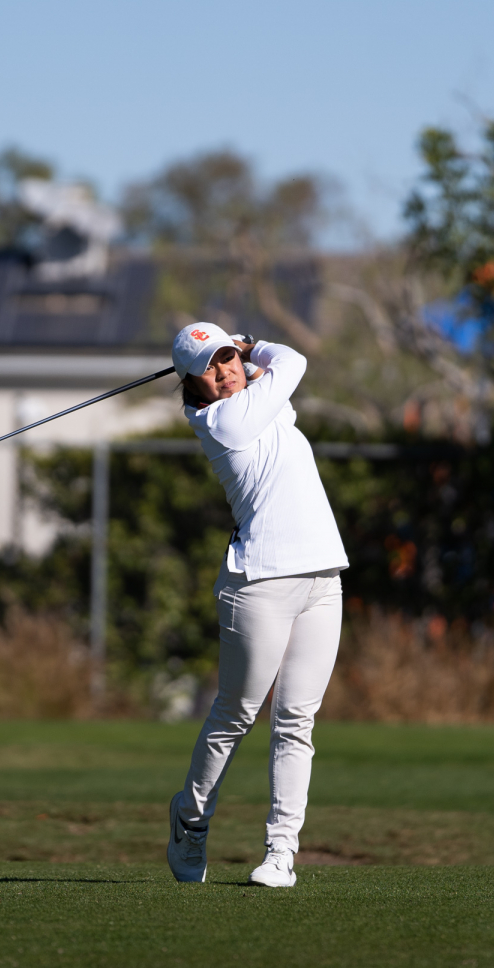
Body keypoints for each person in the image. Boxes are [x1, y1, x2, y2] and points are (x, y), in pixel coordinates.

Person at [166, 321, 349, 888]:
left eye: (227, 359)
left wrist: (246, 357)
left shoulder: (262, 403)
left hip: (322, 575)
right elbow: (292, 360)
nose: (224, 372)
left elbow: (281, 374)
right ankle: (190, 818)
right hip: (260, 584)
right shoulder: (223, 421)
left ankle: (280, 852)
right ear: (193, 388)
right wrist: (252, 348)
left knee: (297, 721)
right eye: (209, 368)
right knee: (237, 713)